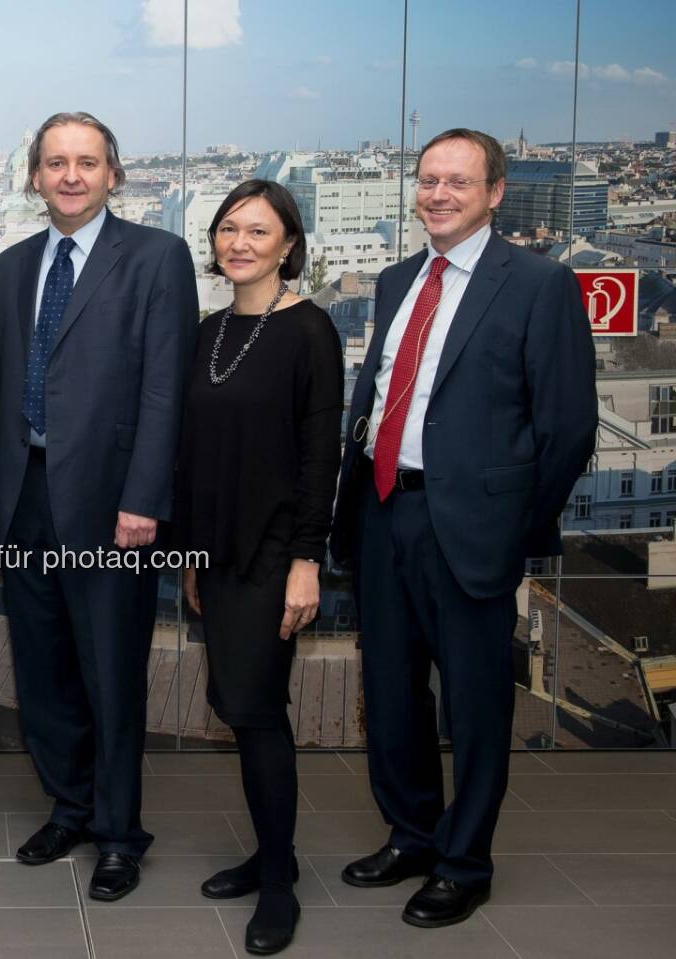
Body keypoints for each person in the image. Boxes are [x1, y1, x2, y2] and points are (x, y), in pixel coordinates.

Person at [330, 128, 596, 928]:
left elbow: (568, 429)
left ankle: (465, 861)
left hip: (473, 526)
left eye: (457, 181)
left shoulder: (540, 284)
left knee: (474, 706)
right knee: (392, 690)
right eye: (428, 179)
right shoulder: (396, 278)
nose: (438, 194)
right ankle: (411, 833)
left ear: (495, 192)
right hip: (384, 511)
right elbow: (382, 391)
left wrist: (512, 526)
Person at [0, 111, 197, 902]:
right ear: (34, 175)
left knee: (110, 674)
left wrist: (145, 499)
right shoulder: (9, 266)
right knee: (41, 673)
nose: (69, 176)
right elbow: (2, 392)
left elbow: (164, 387)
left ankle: (118, 832)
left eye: (86, 162)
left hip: (113, 506)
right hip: (26, 498)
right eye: (54, 162)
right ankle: (69, 806)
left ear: (115, 172)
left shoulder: (156, 256)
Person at [173, 179, 342, 954]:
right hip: (219, 550)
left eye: (258, 231)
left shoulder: (311, 331)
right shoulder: (209, 331)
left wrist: (307, 560)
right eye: (228, 229)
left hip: (276, 552)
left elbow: (320, 456)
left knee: (258, 710)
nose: (239, 242)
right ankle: (270, 853)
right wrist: (192, 559)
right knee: (239, 709)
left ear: (289, 244)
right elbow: (196, 456)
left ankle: (279, 883)